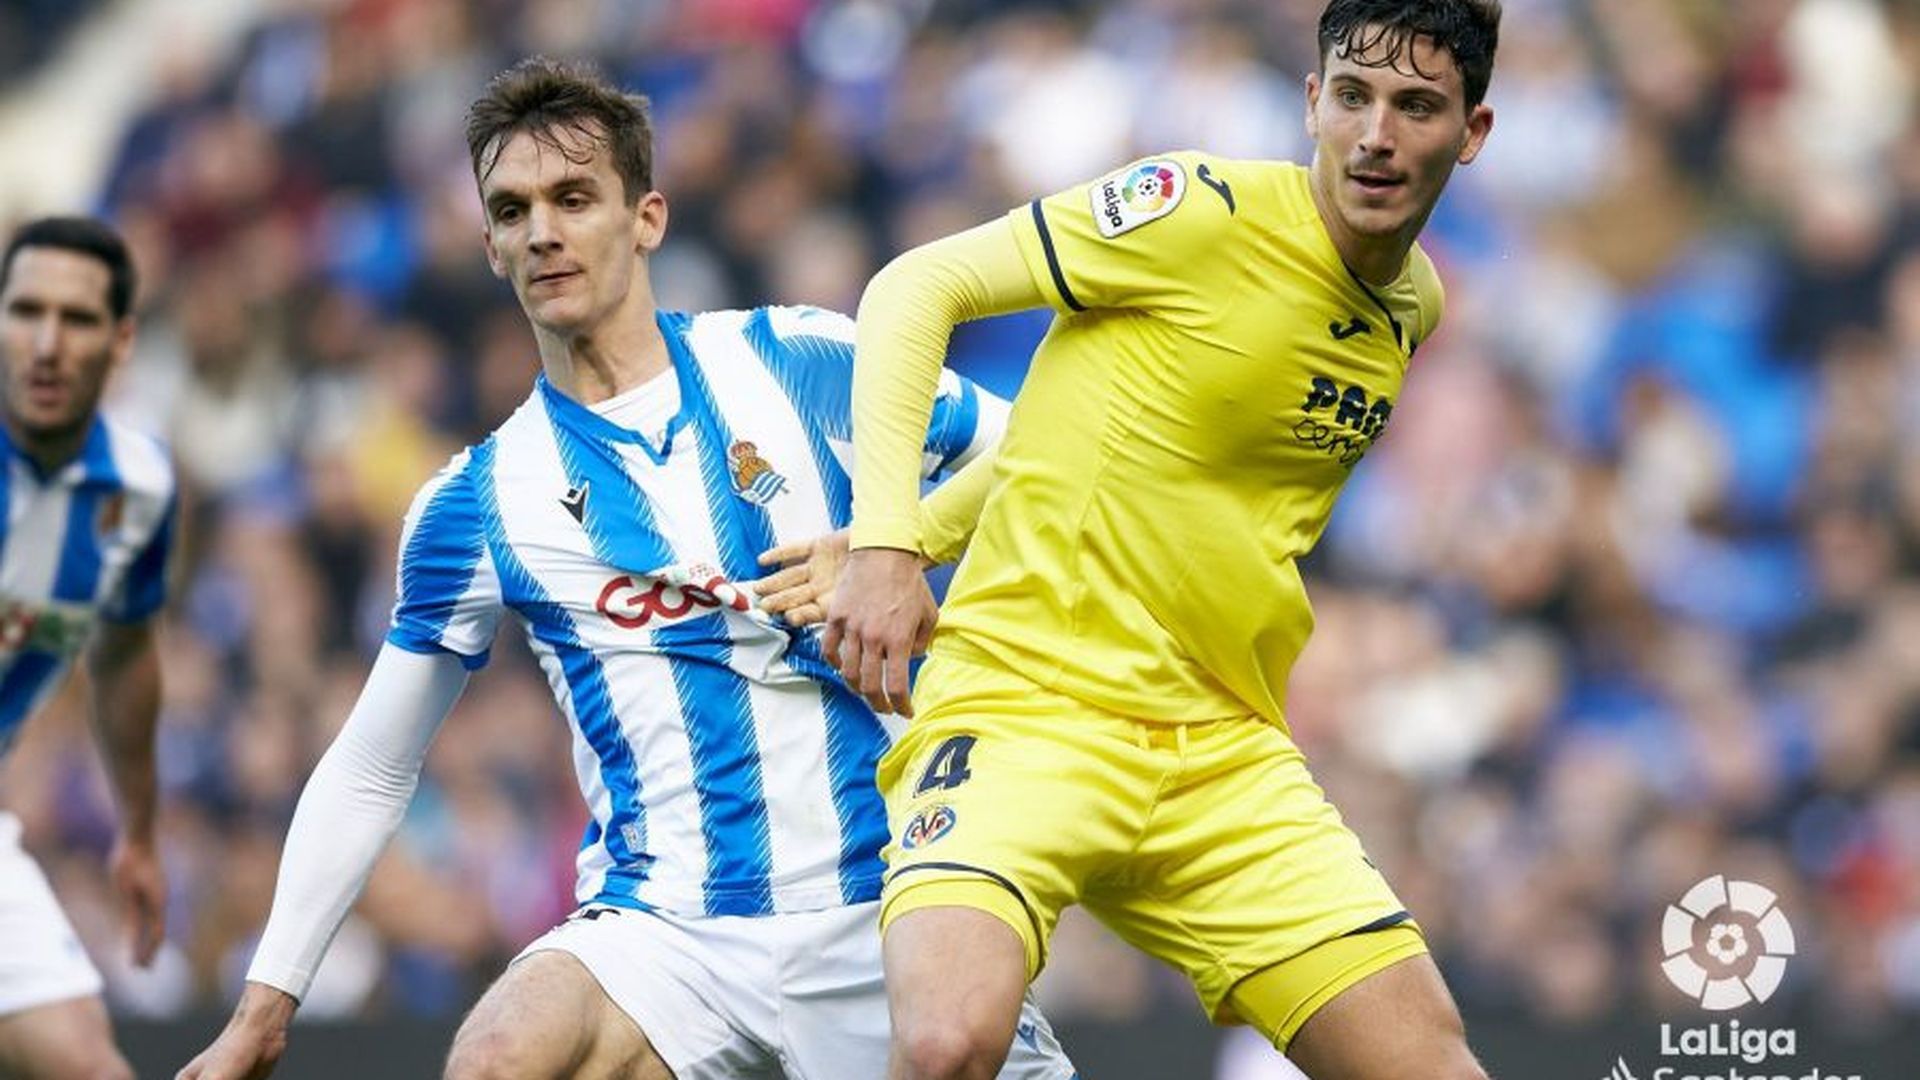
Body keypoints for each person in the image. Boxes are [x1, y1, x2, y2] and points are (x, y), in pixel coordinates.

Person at [178, 58, 1075, 1080]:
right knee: (501, 1057)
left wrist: (894, 545)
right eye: (512, 211)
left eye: (573, 199)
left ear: (646, 219)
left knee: (958, 1048)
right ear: (489, 247)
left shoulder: (804, 361)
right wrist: (263, 1007)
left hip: (887, 897)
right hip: (667, 937)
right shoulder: (479, 501)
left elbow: (1045, 457)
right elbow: (374, 763)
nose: (543, 232)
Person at [827, 2, 1501, 1078]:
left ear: (1470, 133)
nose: (1377, 134)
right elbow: (919, 285)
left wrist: (921, 532)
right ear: (1312, 104)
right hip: (1026, 703)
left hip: (1221, 751)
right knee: (949, 1040)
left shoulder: (1413, 306)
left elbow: (1100, 436)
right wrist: (885, 544)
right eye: (1354, 97)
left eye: (1417, 106)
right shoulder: (1200, 209)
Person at [0, 216, 175, 1080]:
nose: (45, 343)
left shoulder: (137, 489)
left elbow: (124, 655)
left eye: (75, 319)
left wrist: (137, 833)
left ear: (120, 341)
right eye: (24, 311)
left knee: (88, 1066)